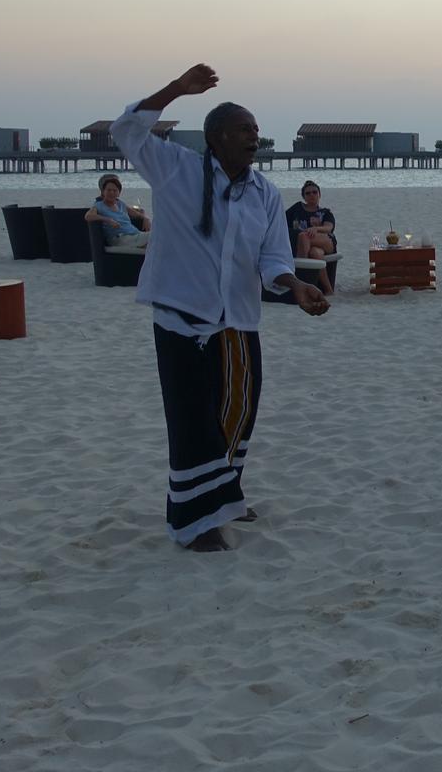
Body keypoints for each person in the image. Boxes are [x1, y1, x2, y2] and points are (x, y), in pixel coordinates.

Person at [111, 63, 329, 553]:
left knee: (236, 416)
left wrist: (295, 284)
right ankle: (196, 525)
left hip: (237, 321)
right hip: (180, 319)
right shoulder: (176, 169)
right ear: (216, 138)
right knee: (193, 424)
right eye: (243, 129)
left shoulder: (266, 194)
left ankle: (224, 498)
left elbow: (273, 258)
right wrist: (174, 90)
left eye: (256, 129)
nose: (255, 136)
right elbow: (125, 131)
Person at [286, 181, 337, 293]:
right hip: (309, 246)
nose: (312, 195)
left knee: (304, 236)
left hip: (326, 241)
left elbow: (329, 228)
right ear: (303, 196)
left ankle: (300, 279)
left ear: (319, 194)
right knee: (315, 253)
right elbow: (280, 221)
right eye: (308, 193)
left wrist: (316, 228)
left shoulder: (325, 212)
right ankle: (328, 290)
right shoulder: (297, 208)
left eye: (314, 192)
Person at [85, 173, 151, 249]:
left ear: (119, 192)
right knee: (156, 236)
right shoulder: (99, 205)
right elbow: (88, 216)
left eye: (115, 190)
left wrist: (146, 219)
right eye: (109, 190)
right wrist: (108, 219)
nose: (112, 193)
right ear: (103, 191)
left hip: (134, 235)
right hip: (119, 238)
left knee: (156, 240)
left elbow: (137, 214)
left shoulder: (120, 204)